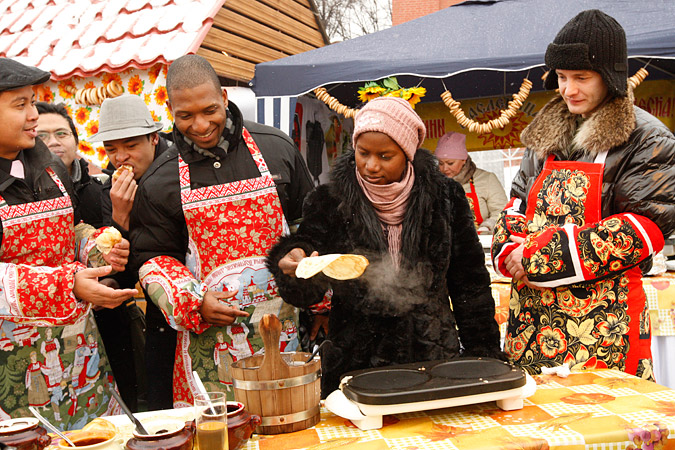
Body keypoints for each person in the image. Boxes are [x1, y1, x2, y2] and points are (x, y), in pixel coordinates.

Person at [267, 96, 503, 396]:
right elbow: (308, 273)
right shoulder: (329, 201)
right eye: (363, 153)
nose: (370, 166)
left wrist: (484, 355)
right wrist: (294, 265)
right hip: (356, 362)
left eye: (385, 156)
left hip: (432, 357)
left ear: (407, 153)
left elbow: (470, 284)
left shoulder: (445, 198)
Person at [491, 10, 675, 379]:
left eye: (581, 78)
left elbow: (644, 229)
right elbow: (516, 203)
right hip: (533, 324)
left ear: (610, 77)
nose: (568, 90)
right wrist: (510, 248)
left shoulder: (646, 138)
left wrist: (538, 256)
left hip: (607, 329)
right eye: (561, 77)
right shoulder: (544, 134)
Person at [130, 54, 315, 406]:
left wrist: (303, 257)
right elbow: (152, 260)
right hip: (209, 349)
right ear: (170, 110)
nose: (200, 125)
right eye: (185, 115)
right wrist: (193, 302)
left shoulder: (276, 149)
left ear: (225, 99)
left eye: (209, 110)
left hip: (287, 333)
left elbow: (308, 226)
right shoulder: (160, 179)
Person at [0, 57, 137, 426]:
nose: (33, 116)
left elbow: (66, 231)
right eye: (21, 105)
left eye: (32, 101)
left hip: (79, 353)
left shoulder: (47, 167)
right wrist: (69, 283)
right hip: (14, 367)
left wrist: (95, 247)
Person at [89, 94, 174, 411]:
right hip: (158, 313)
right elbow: (122, 273)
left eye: (130, 145)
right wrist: (120, 217)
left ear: (154, 137)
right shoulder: (109, 188)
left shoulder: (180, 169)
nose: (120, 157)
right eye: (111, 149)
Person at [36, 102, 105, 228]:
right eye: (41, 136)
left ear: (76, 142)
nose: (54, 142)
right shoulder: (21, 196)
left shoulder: (99, 191)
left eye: (61, 134)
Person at [435, 131, 507, 234]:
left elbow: (502, 211)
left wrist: (487, 227)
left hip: (482, 241)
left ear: (463, 160)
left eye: (450, 163)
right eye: (440, 163)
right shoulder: (435, 184)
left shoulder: (487, 179)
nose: (445, 168)